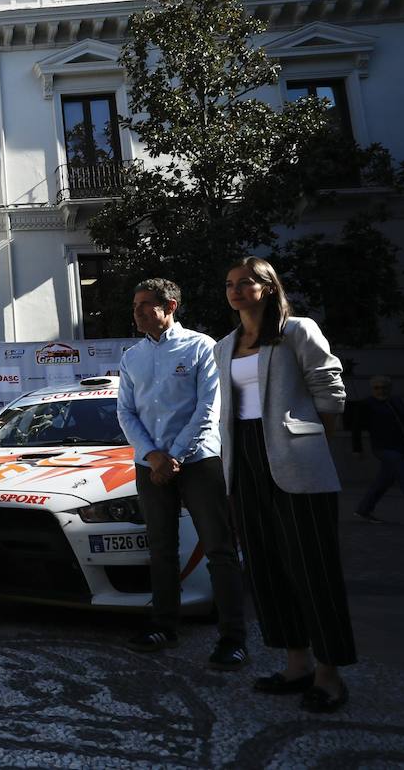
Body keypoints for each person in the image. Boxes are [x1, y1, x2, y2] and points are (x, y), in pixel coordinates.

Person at [216, 256, 354, 712]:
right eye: (231, 284)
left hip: (295, 457)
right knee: (267, 567)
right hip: (246, 460)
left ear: (268, 287)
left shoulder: (298, 331)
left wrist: (314, 442)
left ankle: (330, 674)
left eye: (246, 282)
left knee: (313, 568)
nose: (236, 290)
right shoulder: (226, 345)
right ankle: (296, 664)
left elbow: (329, 387)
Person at [116, 278, 247, 669]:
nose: (137, 312)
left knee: (219, 550)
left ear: (170, 306)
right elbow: (126, 411)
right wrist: (153, 456)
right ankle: (163, 625)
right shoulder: (132, 356)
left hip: (198, 463)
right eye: (135, 305)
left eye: (145, 305)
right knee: (161, 549)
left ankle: (233, 638)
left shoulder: (201, 346)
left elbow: (209, 409)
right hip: (152, 464)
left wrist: (174, 455)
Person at [352, 375, 404, 522]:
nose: (381, 391)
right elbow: (356, 428)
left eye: (384, 387)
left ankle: (364, 509)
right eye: (377, 388)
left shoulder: (396, 401)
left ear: (390, 388)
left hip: (400, 448)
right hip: (384, 448)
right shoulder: (367, 404)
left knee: (384, 480)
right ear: (372, 389)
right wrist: (357, 448)